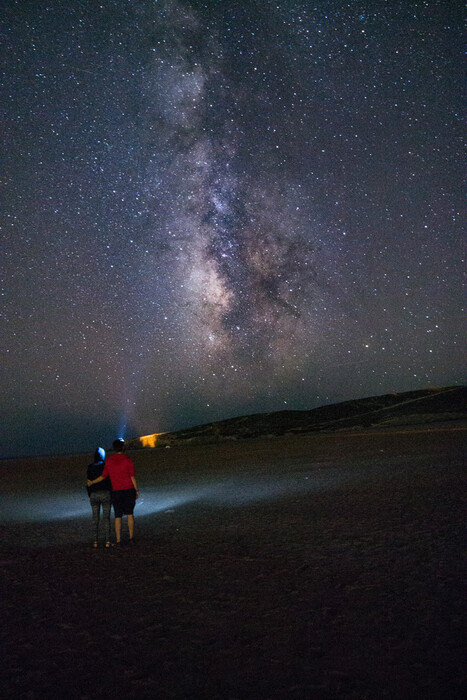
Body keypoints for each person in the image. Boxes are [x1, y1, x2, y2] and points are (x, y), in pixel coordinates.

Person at [88, 439, 139, 545]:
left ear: (114, 448)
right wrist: (136, 490)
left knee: (117, 516)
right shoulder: (127, 460)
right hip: (128, 489)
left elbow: (103, 476)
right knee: (130, 514)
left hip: (116, 492)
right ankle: (131, 538)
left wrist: (92, 482)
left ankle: (118, 539)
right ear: (123, 448)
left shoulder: (109, 461)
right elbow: (132, 477)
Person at [86, 447, 112, 548]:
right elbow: (109, 480)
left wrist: (90, 494)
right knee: (106, 518)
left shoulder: (90, 467)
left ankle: (95, 541)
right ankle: (107, 541)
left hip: (94, 494)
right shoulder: (106, 466)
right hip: (105, 493)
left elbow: (88, 482)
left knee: (95, 519)